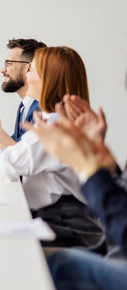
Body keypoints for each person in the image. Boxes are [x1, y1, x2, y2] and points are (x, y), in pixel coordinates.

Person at [0, 46, 104, 249]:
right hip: (58, 219)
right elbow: (17, 154)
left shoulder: (55, 126)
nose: (26, 76)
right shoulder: (53, 121)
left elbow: (5, 168)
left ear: (48, 78)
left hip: (68, 226)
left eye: (30, 70)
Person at [25, 95, 127, 289]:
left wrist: (89, 168)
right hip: (111, 252)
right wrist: (108, 170)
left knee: (61, 267)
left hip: (79, 230)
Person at [1, 38, 46, 141]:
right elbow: (15, 146)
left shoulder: (43, 109)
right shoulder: (24, 106)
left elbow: (20, 154)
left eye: (9, 64)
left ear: (29, 67)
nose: (2, 70)